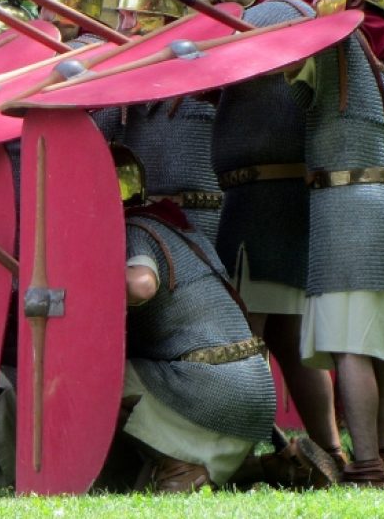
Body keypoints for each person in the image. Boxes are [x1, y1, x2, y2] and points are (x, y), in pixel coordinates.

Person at [208, 0, 343, 467]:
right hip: (290, 196)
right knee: (289, 339)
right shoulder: (308, 16)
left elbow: (207, 78)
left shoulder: (259, 18)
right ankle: (331, 449)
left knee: (243, 332)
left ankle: (227, 450)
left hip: (259, 199)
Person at [290, 0, 384, 487]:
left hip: (346, 204)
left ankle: (365, 465)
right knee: (380, 348)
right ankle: (383, 455)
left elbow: (292, 100)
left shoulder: (331, 44)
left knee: (350, 346)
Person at [104, 144, 284, 492]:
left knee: (92, 379)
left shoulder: (133, 229)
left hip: (213, 387)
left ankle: (178, 464)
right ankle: (254, 466)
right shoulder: (182, 227)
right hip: (257, 392)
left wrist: (87, 286)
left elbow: (141, 285)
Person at [102, 0, 222, 243]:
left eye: (133, 15)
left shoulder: (204, 73)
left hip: (203, 220)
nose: (124, 27)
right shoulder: (123, 89)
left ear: (163, 17)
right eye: (121, 16)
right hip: (145, 226)